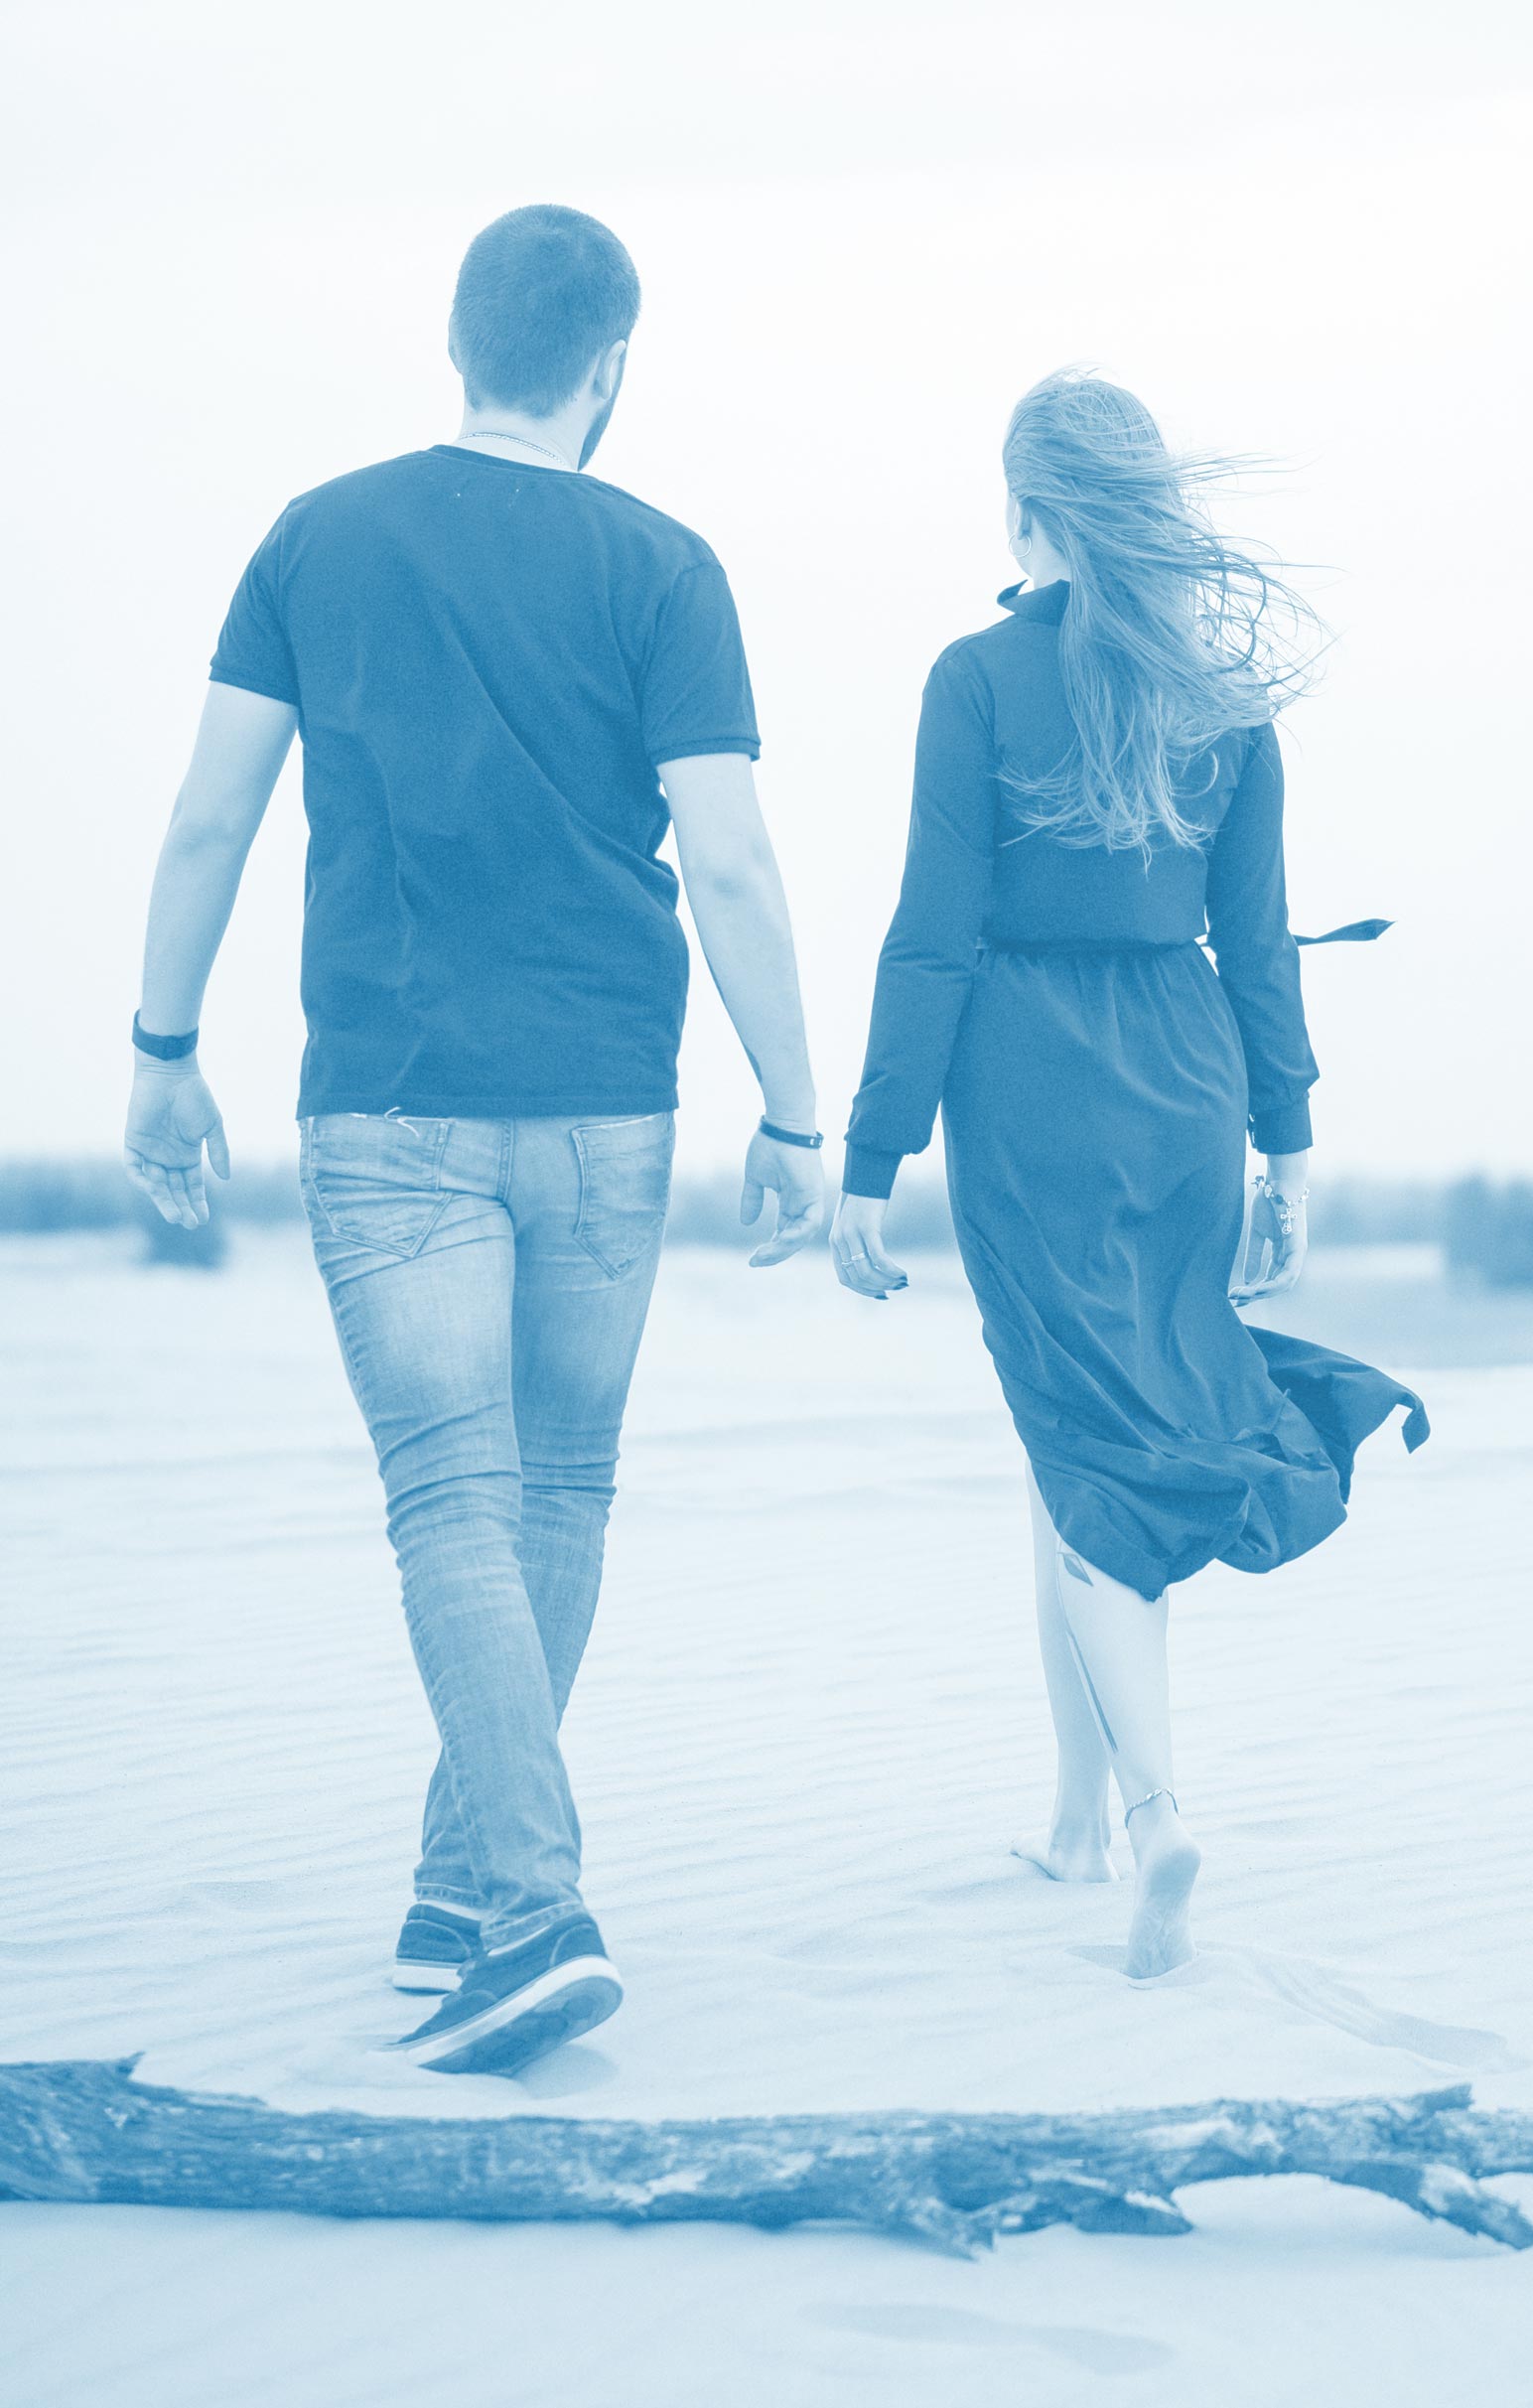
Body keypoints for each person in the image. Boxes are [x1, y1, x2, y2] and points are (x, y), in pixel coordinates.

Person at [123, 206, 825, 2074]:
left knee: (455, 1496)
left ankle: (530, 1904)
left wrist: (162, 1046)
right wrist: (797, 1105)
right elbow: (735, 855)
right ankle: (462, 1886)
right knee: (558, 1494)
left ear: (459, 345)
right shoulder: (670, 566)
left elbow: (209, 821)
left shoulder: (316, 536)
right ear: (611, 367)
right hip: (609, 1108)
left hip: (396, 1106)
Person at [832, 371, 1427, 1980]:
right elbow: (1257, 947)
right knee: (1073, 1432)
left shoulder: (971, 680)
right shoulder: (1226, 710)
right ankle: (1078, 1816)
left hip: (1025, 1090)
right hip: (1186, 1090)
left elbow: (932, 937)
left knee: (1081, 1441)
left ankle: (1158, 1812)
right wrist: (1289, 1147)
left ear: (1027, 511)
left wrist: (872, 1156)